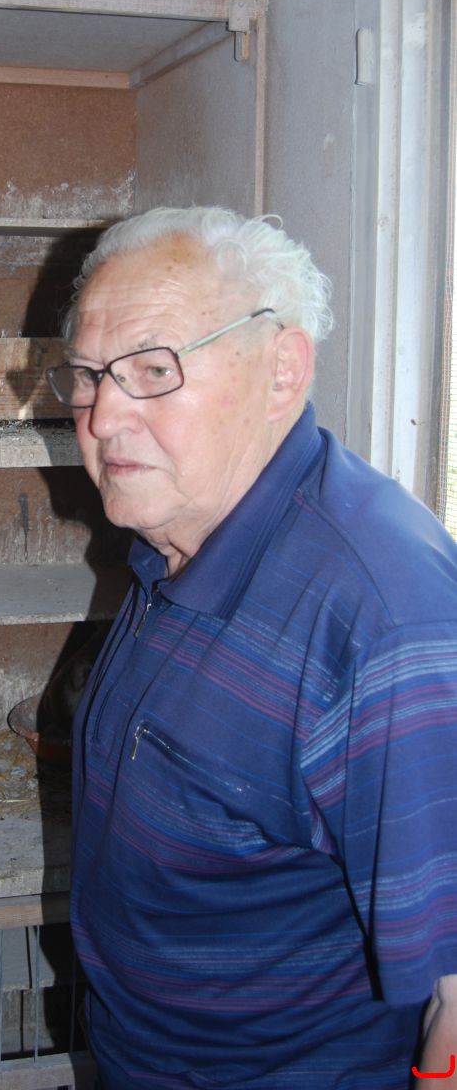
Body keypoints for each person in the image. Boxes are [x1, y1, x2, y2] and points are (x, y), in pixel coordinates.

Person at [45, 205, 457, 1088]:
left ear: (282, 371)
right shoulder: (179, 533)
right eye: (88, 375)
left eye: (154, 370)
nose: (103, 416)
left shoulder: (381, 617)